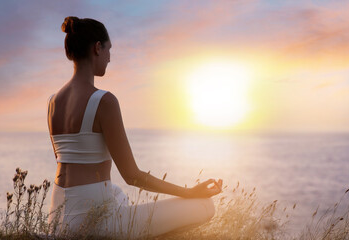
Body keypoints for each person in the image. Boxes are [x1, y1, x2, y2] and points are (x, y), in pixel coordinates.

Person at [47, 16, 223, 238]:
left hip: (58, 222)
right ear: (97, 48)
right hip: (94, 226)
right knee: (205, 206)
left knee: (117, 193)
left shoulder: (53, 102)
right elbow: (133, 176)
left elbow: (68, 163)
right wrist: (189, 192)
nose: (110, 58)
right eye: (109, 49)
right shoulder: (104, 101)